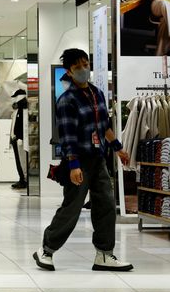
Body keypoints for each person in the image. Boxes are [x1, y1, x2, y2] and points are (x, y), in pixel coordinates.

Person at [33, 48, 133, 272]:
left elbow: (104, 126)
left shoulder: (97, 93)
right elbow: (67, 137)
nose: (83, 69)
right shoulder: (66, 100)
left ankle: (104, 254)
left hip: (98, 159)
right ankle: (46, 250)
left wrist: (118, 148)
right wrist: (74, 165)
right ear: (68, 71)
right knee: (73, 207)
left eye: (85, 64)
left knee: (106, 204)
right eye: (77, 67)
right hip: (77, 161)